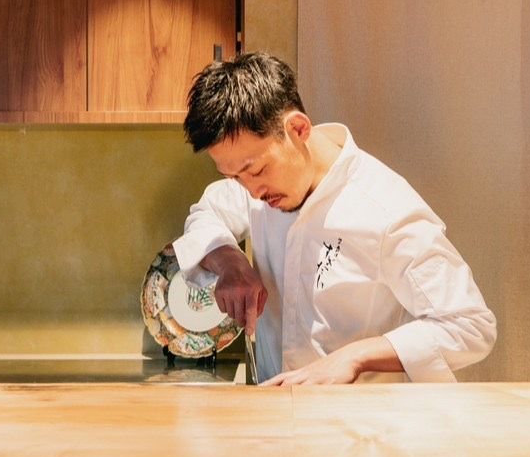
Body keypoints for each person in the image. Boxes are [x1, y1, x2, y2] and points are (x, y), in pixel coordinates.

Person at [170, 53, 496, 387]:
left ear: (298, 129)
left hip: (363, 415)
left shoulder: (387, 209)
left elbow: (469, 325)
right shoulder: (256, 186)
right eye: (234, 177)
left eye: (256, 170)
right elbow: (207, 213)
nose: (251, 192)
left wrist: (355, 357)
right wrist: (228, 262)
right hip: (275, 407)